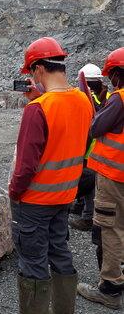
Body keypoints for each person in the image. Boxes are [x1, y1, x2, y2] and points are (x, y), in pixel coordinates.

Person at [9, 37, 93, 314]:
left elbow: (25, 167)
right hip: (65, 196)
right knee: (60, 251)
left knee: (33, 263)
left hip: (35, 201)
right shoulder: (83, 100)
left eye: (31, 72)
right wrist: (39, 98)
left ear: (38, 69)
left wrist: (14, 193)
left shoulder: (37, 110)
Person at [77, 47, 124, 310]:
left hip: (113, 175)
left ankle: (110, 287)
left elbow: (96, 127)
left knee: (110, 229)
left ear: (117, 74)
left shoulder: (119, 99)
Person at [69, 63, 108, 231]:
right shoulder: (104, 96)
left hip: (92, 149)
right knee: (88, 179)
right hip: (91, 148)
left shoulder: (96, 98)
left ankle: (88, 217)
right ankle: (81, 207)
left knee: (90, 180)